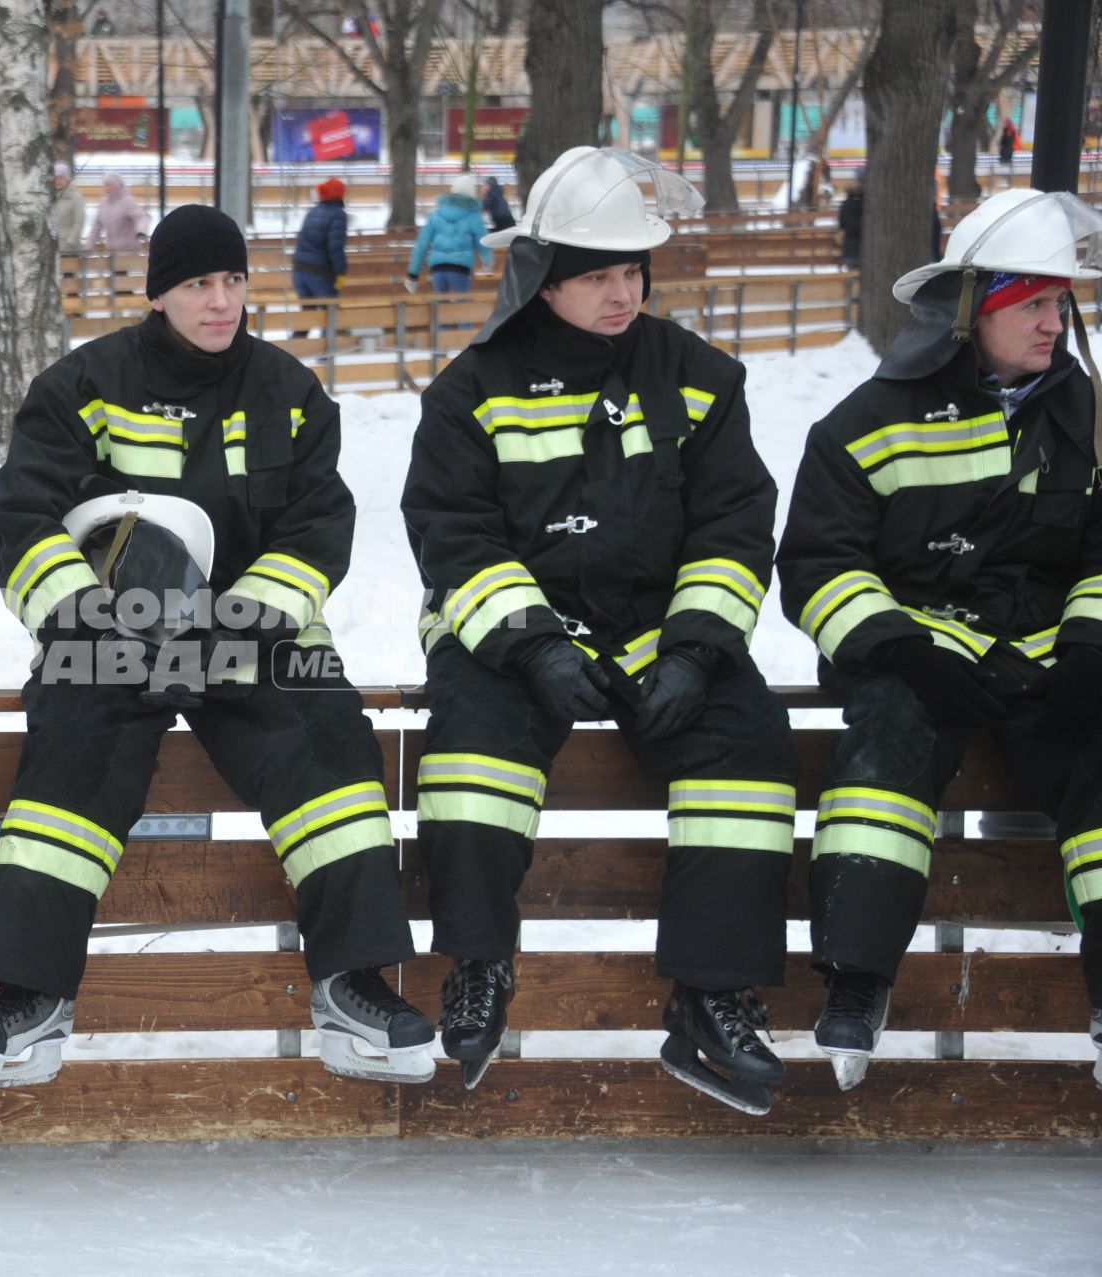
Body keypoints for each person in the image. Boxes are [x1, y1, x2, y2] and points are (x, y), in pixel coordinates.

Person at [0, 204, 435, 1091]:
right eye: (196, 285)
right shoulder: (84, 384)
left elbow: (319, 525)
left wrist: (247, 617)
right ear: (160, 294)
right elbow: (20, 514)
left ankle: (353, 980)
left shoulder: (291, 392)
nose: (220, 302)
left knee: (329, 746)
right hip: (110, 635)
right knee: (70, 752)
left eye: (232, 281)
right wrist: (81, 617)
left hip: (253, 634)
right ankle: (30, 995)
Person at [401, 147, 799, 1114]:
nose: (621, 293)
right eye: (596, 275)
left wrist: (699, 646)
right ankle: (480, 965)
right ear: (544, 278)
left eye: (633, 271)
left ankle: (711, 999)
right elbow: (454, 537)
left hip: (658, 631)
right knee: (472, 757)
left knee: (747, 749)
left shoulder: (701, 378)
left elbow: (736, 524)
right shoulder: (470, 390)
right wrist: (532, 642)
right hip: (507, 631)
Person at [776, 187, 1102, 1093]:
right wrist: (899, 651)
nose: (1053, 322)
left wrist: (1089, 648)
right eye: (1031, 302)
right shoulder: (867, 419)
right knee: (887, 735)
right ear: (971, 312)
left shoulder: (1088, 414)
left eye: (1059, 303)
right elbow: (815, 565)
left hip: (1042, 652)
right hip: (911, 650)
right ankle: (855, 984)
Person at [406, 173, 494, 295]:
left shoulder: (436, 215)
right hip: (460, 269)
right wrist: (487, 262)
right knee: (462, 309)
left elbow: (422, 244)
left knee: (441, 309)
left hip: (438, 269)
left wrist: (413, 273)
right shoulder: (473, 216)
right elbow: (484, 241)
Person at [293, 177, 348, 301]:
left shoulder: (313, 212)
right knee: (330, 315)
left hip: (300, 271)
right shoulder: (338, 214)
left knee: (309, 315)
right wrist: (340, 272)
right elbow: (335, 248)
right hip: (319, 274)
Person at [89, 173, 148, 251]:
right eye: (105, 185)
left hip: (129, 250)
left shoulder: (128, 201)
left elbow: (141, 217)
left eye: (109, 185)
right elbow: (97, 226)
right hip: (111, 251)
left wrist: (141, 231)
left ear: (117, 186)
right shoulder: (104, 203)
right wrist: (89, 245)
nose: (107, 188)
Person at [52, 161, 86, 256]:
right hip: (53, 248)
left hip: (70, 250)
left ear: (67, 179)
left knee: (69, 269)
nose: (58, 181)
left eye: (61, 178)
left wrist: (71, 241)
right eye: (56, 178)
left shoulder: (76, 197)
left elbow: (79, 222)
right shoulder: (51, 197)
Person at [838, 171, 864, 271]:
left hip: (850, 248)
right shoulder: (865, 204)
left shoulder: (846, 205)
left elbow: (842, 225)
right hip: (866, 247)